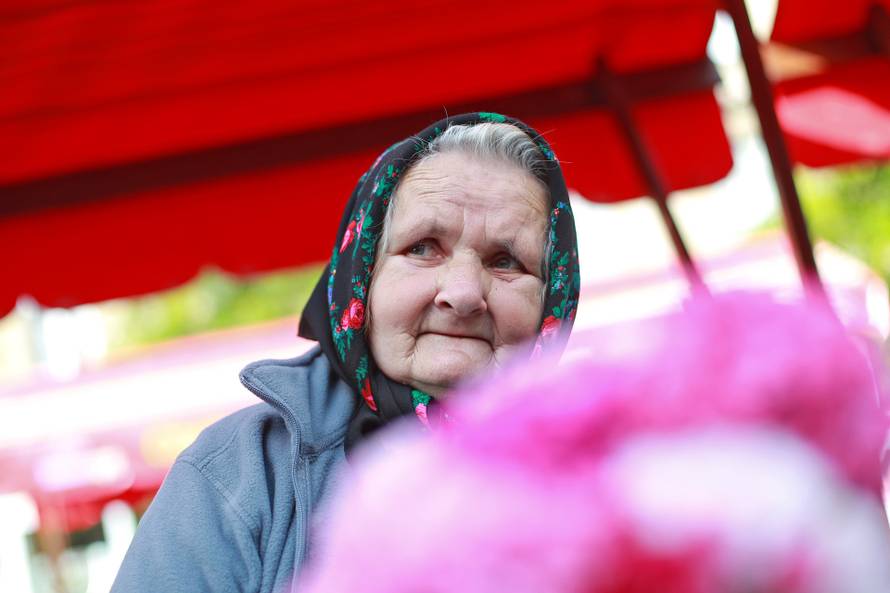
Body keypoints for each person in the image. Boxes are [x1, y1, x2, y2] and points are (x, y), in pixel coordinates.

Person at [110, 112, 580, 593]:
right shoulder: (240, 474)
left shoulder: (610, 471)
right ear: (362, 281)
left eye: (506, 261)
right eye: (423, 248)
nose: (461, 294)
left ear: (553, 298)